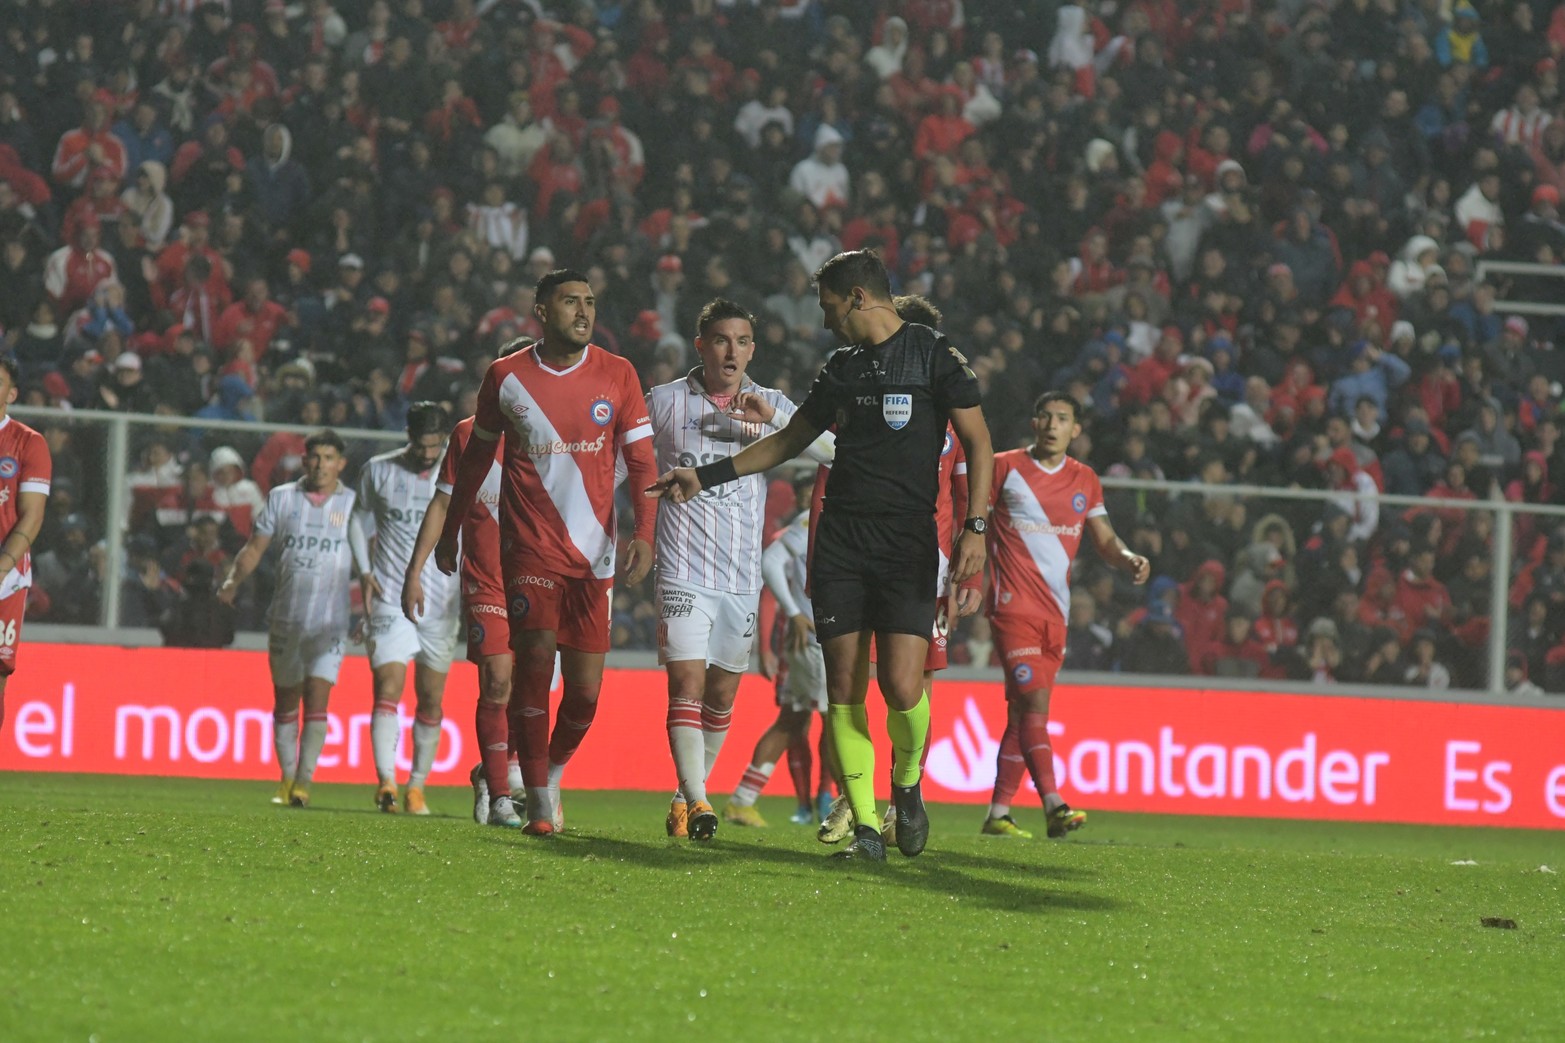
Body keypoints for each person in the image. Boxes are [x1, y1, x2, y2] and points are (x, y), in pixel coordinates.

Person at [648, 249, 993, 861]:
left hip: (908, 541)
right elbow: (786, 442)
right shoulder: (840, 370)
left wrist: (976, 528)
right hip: (841, 543)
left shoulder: (935, 356)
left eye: (829, 303)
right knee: (843, 690)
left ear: (857, 296)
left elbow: (979, 440)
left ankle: (906, 786)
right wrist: (706, 475)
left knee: (903, 684)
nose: (825, 316)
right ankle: (865, 827)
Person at [437, 270, 658, 835]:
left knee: (584, 695)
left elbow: (642, 464)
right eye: (570, 302)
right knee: (532, 666)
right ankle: (535, 802)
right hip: (529, 551)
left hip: (595, 557)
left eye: (589, 303)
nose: (583, 312)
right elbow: (476, 461)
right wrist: (451, 531)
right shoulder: (506, 377)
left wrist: (645, 534)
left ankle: (550, 775)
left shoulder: (619, 373)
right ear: (541, 309)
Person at [646, 297, 833, 841]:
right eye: (722, 340)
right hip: (681, 568)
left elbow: (833, 452)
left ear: (753, 348)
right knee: (686, 683)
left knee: (722, 696)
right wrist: (632, 536)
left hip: (740, 577)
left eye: (743, 341)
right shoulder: (663, 402)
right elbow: (624, 466)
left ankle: (686, 796)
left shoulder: (771, 402)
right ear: (701, 344)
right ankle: (703, 801)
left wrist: (774, 419)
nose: (733, 351)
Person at [981, 392, 1150, 839]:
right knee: (1035, 702)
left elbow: (1106, 541)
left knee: (1024, 715)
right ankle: (1055, 804)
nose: (1053, 425)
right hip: (1011, 606)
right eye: (1046, 417)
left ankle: (997, 815)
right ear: (1034, 423)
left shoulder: (1085, 479)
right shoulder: (1004, 467)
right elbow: (972, 524)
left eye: (1063, 419)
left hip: (1056, 614)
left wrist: (1129, 557)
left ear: (1076, 430)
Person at [404, 337, 534, 830]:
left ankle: (492, 773)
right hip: (486, 579)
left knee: (530, 688)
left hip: (540, 578)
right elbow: (442, 502)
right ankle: (502, 796)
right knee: (498, 681)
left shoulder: (556, 436)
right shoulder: (467, 435)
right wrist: (416, 569)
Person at [218, 430, 362, 808]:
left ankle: (303, 783)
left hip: (331, 622)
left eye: (328, 458)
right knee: (285, 704)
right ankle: (285, 777)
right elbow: (254, 549)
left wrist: (370, 608)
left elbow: (369, 562)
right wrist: (233, 581)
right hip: (286, 618)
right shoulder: (282, 499)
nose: (320, 465)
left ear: (340, 464)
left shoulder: (354, 505)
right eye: (314, 457)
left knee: (318, 701)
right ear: (304, 461)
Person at [350, 401, 460, 816]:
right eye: (421, 445)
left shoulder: (461, 472)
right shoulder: (378, 470)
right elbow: (357, 519)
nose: (428, 454)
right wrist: (363, 569)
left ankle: (417, 787)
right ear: (408, 437)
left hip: (442, 600)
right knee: (387, 689)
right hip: (390, 596)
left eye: (435, 446)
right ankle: (386, 783)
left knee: (431, 699)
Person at [727, 469, 837, 828]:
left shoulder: (830, 519)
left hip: (818, 639)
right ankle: (842, 805)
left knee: (794, 719)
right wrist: (794, 613)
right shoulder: (815, 521)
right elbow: (770, 561)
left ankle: (744, 800)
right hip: (816, 640)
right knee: (837, 721)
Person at [0, 356, 52, 736]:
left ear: (11, 393)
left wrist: (2, 564)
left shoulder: (27, 442)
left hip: (4, 579)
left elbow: (31, 516)